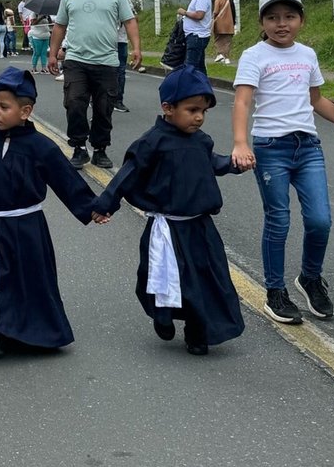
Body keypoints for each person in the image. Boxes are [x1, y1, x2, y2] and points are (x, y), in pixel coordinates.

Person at [231, 0, 334, 325]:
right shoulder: (255, 55)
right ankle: (275, 291)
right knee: (279, 220)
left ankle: (310, 278)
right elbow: (242, 101)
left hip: (307, 147)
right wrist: (241, 143)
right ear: (262, 22)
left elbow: (317, 101)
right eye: (272, 18)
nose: (281, 24)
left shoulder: (307, 55)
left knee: (320, 220)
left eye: (289, 17)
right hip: (271, 148)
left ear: (301, 20)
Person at [0, 67, 108, 357]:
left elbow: (65, 180)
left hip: (27, 226)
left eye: (3, 107)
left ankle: (36, 333)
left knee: (29, 280)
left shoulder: (41, 147)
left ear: (25, 111)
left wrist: (91, 208)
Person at [94, 68, 249, 355]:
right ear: (168, 108)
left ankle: (197, 332)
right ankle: (162, 316)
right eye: (192, 110)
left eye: (203, 111)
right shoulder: (152, 142)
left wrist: (234, 164)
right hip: (167, 228)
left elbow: (212, 164)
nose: (199, 117)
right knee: (163, 275)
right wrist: (106, 204)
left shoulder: (201, 141)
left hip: (199, 227)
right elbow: (127, 176)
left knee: (204, 278)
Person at [48, 0, 141, 169]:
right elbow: (60, 26)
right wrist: (53, 54)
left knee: (104, 107)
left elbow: (130, 21)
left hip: (107, 61)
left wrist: (136, 48)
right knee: (74, 102)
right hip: (76, 59)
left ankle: (100, 149)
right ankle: (79, 147)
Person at [101, 0, 132, 113]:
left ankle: (118, 100)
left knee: (120, 71)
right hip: (102, 40)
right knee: (100, 71)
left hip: (120, 40)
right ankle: (98, 99)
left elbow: (131, 19)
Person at [175, 0, 214, 74]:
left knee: (190, 67)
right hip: (195, 35)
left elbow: (199, 15)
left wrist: (184, 12)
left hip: (197, 36)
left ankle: (188, 88)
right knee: (199, 68)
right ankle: (204, 88)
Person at [211, 0, 235, 65]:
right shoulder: (229, 1)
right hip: (229, 24)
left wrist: (212, 19)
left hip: (219, 23)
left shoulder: (218, 0)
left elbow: (216, 12)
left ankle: (220, 54)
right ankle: (227, 58)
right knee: (227, 42)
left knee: (218, 40)